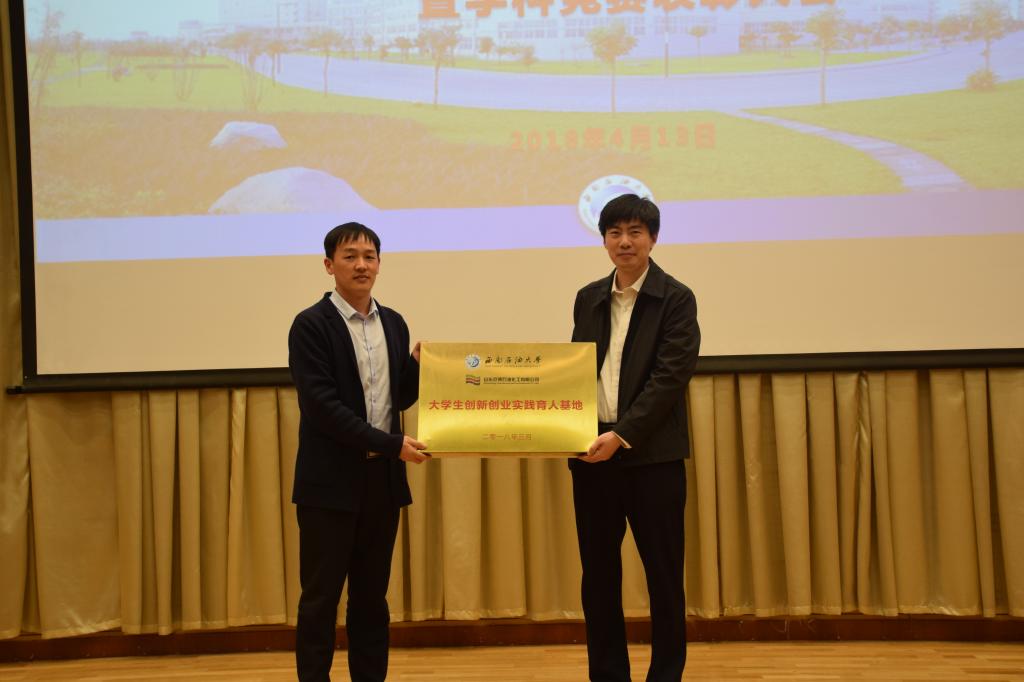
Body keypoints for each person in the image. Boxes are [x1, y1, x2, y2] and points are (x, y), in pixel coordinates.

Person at [289, 222, 429, 682]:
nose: (361, 265)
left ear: (379, 264)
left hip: (381, 484)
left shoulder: (394, 322)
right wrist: (391, 445)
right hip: (329, 484)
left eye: (369, 256)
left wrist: (420, 368)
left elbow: (396, 398)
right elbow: (322, 409)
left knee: (371, 600)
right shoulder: (311, 325)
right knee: (320, 599)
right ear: (329, 265)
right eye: (350, 256)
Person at [570, 194, 701, 682]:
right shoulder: (588, 297)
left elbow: (670, 377)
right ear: (604, 240)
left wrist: (622, 435)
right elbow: (574, 371)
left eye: (635, 232)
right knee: (598, 577)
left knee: (664, 577)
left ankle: (665, 675)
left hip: (653, 459)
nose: (624, 242)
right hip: (593, 456)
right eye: (615, 233)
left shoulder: (676, 298)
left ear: (653, 238)